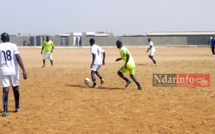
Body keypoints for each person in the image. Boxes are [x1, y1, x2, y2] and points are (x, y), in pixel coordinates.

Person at [0, 32, 27, 117]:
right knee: (15, 88)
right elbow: (18, 57)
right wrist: (24, 70)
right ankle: (17, 107)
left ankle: (5, 111)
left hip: (4, 71)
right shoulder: (13, 46)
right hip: (14, 70)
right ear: (9, 38)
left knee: (5, 90)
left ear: (1, 39)